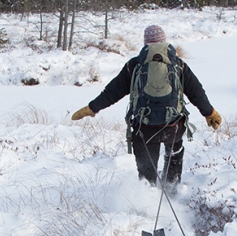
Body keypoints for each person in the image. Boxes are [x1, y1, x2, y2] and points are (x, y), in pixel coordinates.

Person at [71, 25, 221, 190]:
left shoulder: (134, 65)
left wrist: (92, 108)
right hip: (173, 125)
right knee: (174, 157)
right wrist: (210, 113)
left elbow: (112, 92)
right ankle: (171, 191)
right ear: (164, 42)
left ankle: (147, 199)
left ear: (146, 44)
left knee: (147, 170)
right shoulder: (178, 65)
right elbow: (196, 92)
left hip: (144, 127)